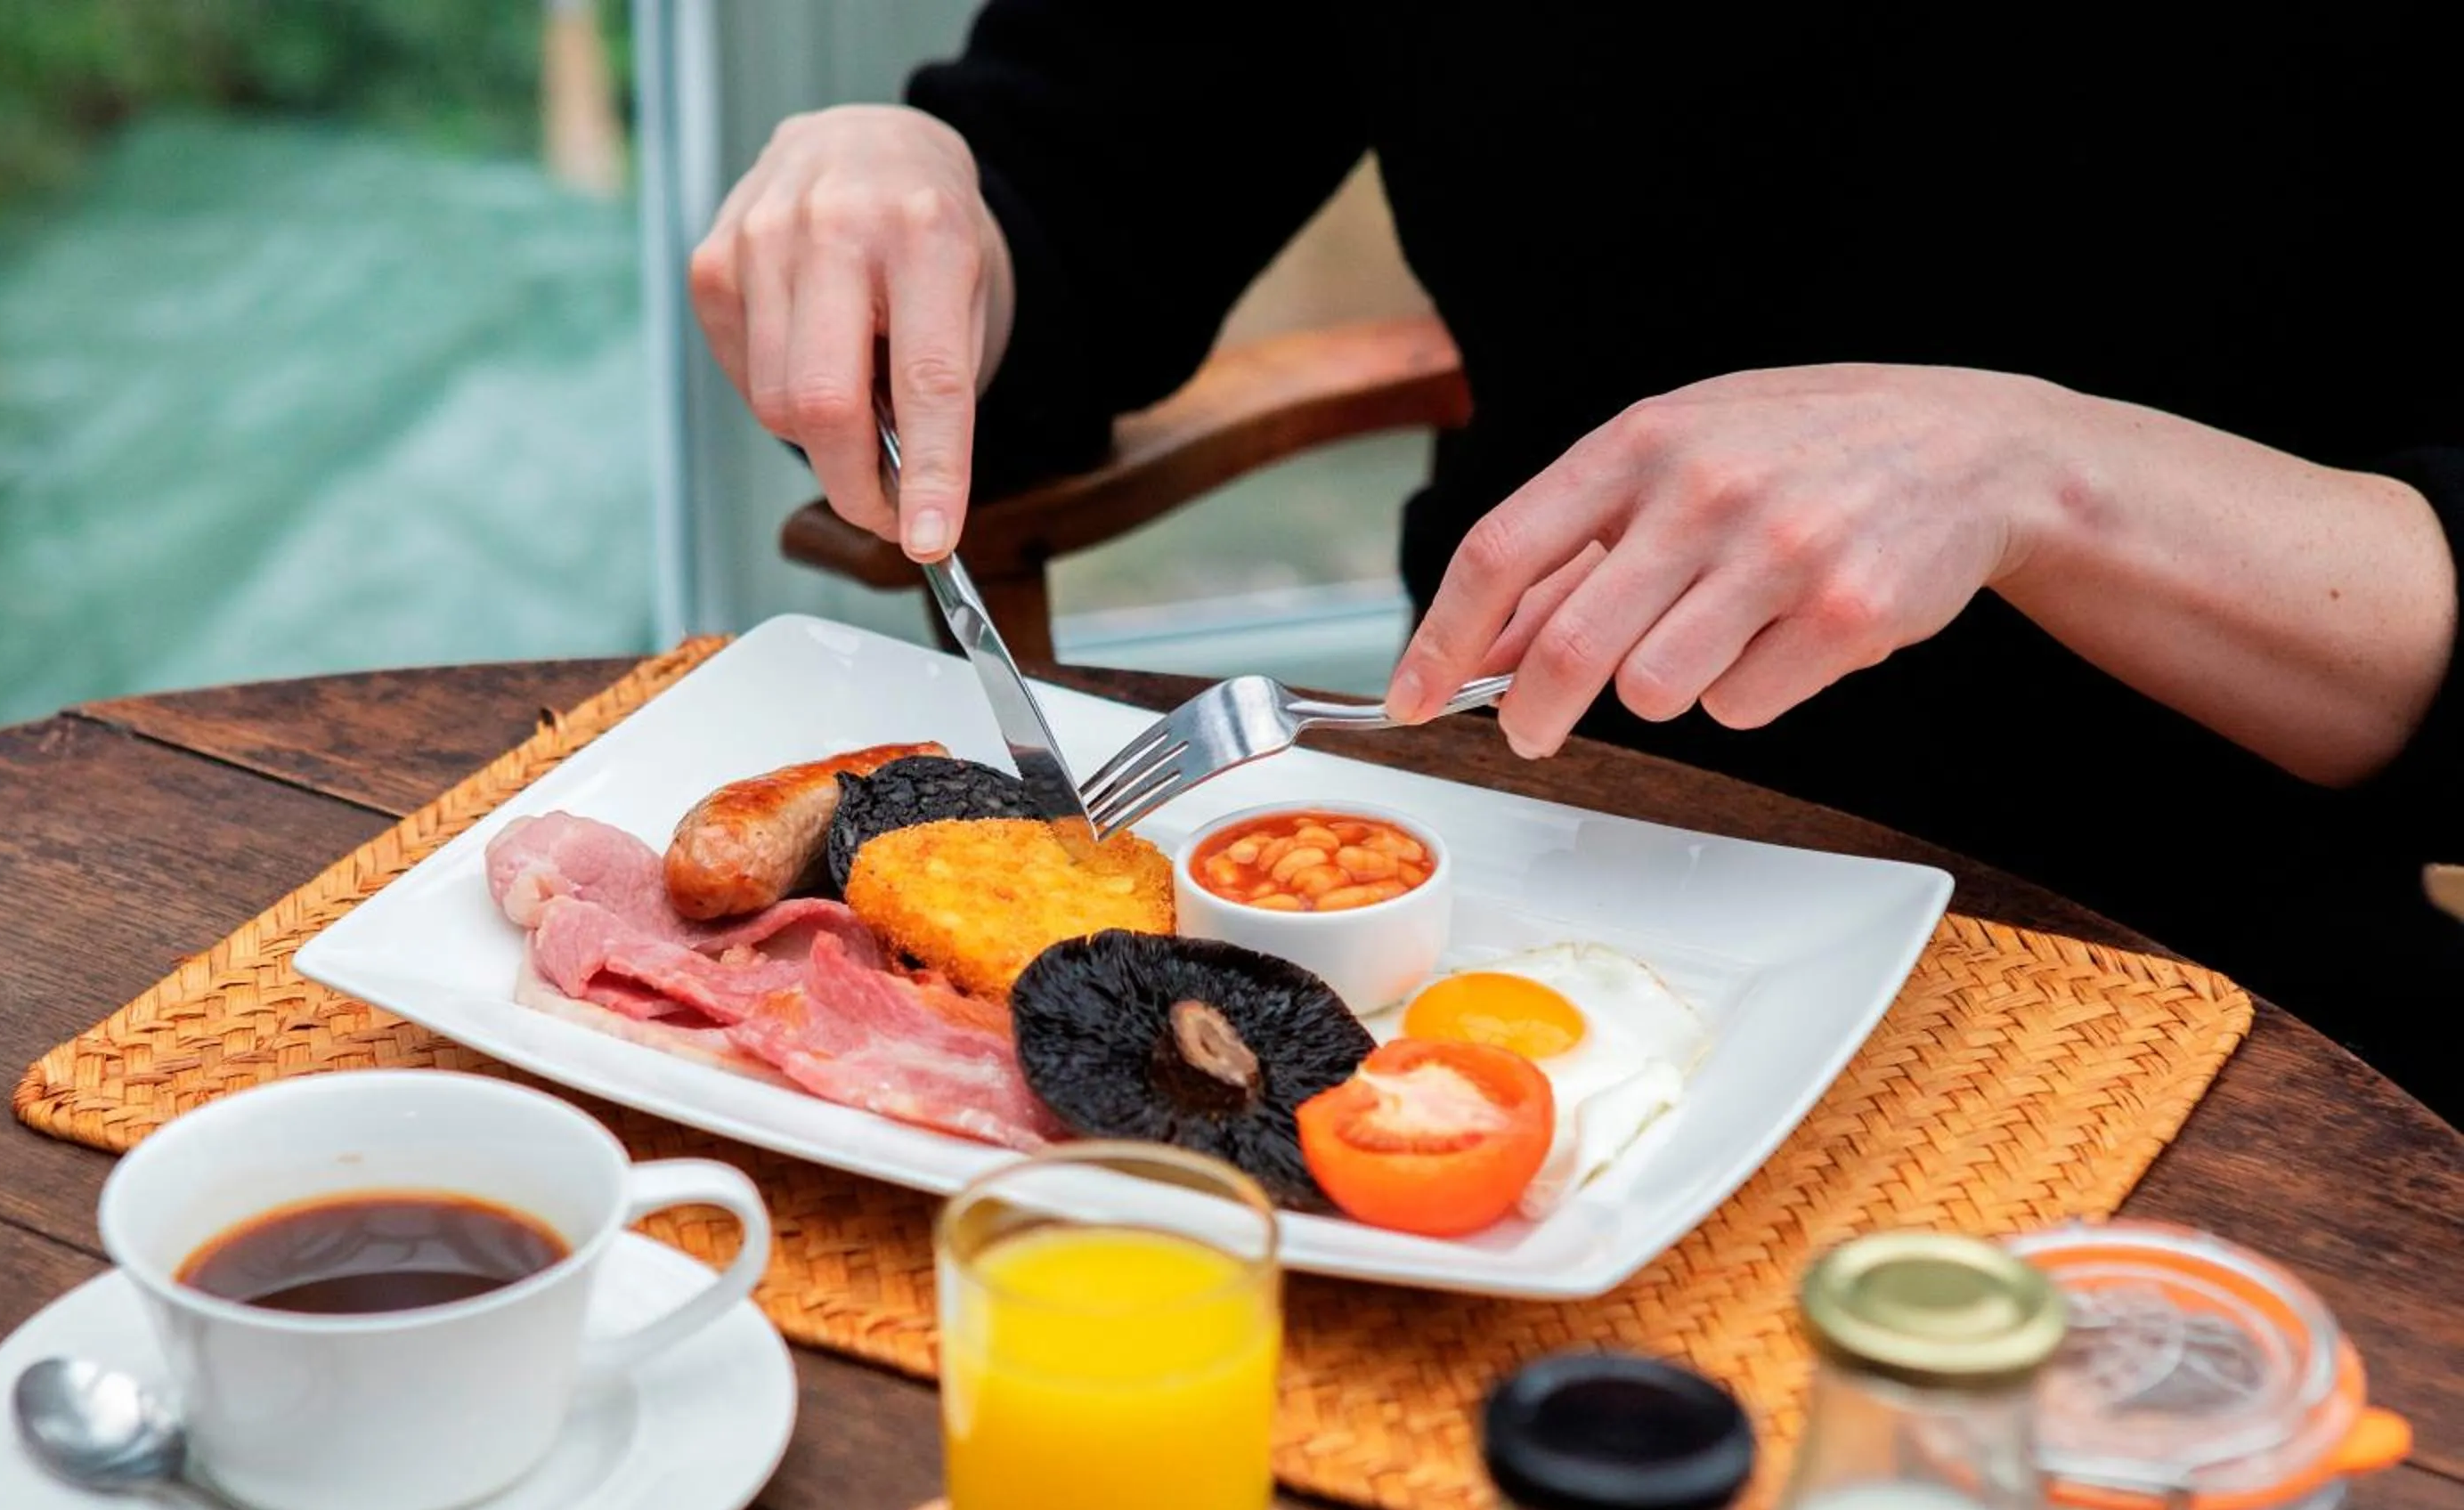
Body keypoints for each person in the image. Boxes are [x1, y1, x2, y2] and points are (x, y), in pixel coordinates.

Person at [687, 5, 2463, 1124]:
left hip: (2250, 988)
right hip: (1503, 849)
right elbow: (1079, 204)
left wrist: (2051, 477)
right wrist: (913, 197)